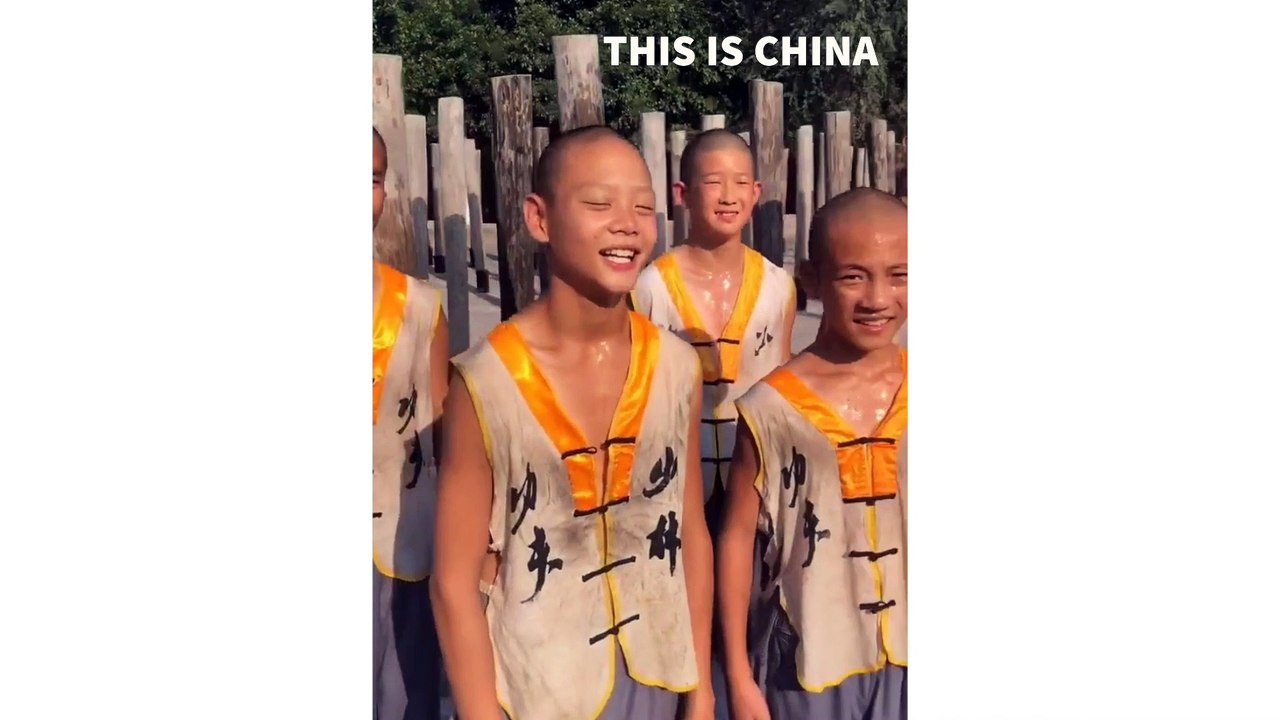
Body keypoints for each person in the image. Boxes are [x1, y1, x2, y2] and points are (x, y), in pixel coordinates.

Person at [431, 125, 716, 720]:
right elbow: (454, 583)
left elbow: (689, 528)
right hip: (537, 682)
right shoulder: (485, 381)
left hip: (657, 671)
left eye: (644, 206)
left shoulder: (676, 365)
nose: (627, 223)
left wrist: (702, 687)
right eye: (598, 204)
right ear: (540, 218)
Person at [717, 188, 908, 720]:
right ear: (813, 277)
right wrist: (737, 673)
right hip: (808, 662)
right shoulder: (769, 409)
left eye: (899, 274)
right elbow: (735, 542)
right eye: (853, 276)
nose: (878, 298)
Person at [630, 129, 797, 529]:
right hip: (673, 476)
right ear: (682, 193)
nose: (728, 195)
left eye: (740, 183)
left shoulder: (778, 286)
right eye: (713, 182)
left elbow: (786, 384)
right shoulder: (647, 287)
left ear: (756, 192)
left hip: (758, 471)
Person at [372, 126, 451, 720]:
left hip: (400, 537)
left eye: (371, 180)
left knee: (402, 695)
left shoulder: (421, 305)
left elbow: (444, 427)